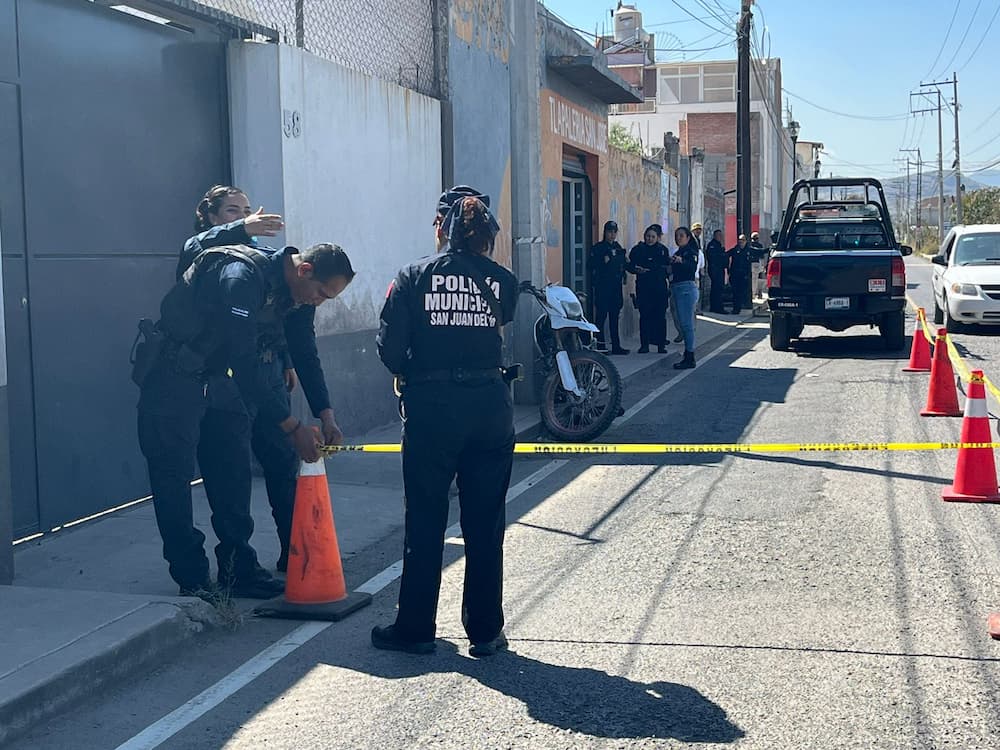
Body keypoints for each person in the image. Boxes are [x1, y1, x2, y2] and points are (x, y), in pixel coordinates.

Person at [137, 241, 354, 600]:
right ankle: (192, 578)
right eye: (322, 294)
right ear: (304, 270)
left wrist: (325, 413)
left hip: (218, 379)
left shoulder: (297, 296)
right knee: (172, 478)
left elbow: (303, 349)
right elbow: (244, 361)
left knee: (232, 473)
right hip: (173, 377)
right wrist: (292, 427)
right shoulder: (242, 277)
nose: (320, 302)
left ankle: (238, 570)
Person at [373, 186, 518, 657]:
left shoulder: (414, 276)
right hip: (490, 407)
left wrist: (414, 369)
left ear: (443, 229)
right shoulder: (503, 281)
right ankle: (485, 631)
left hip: (432, 409)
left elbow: (390, 350)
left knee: (425, 520)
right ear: (488, 238)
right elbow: (504, 319)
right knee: (485, 522)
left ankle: (415, 629)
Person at [180, 186, 319, 572]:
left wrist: (286, 359)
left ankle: (295, 554)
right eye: (231, 212)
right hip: (229, 380)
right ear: (210, 218)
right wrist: (243, 227)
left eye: (245, 210)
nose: (243, 218)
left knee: (282, 462)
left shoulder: (259, 260)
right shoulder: (209, 255)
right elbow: (238, 342)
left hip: (268, 372)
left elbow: (278, 312)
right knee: (234, 470)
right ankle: (238, 562)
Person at [589, 221, 629, 355]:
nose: (612, 235)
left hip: (616, 288)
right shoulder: (598, 248)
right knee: (601, 317)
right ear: (604, 232)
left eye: (614, 232)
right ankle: (600, 346)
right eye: (609, 232)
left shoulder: (618, 248)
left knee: (614, 317)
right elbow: (590, 265)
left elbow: (624, 263)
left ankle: (616, 345)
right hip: (603, 287)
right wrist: (602, 261)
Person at [628, 226, 669, 354]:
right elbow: (629, 265)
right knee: (644, 316)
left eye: (652, 237)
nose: (650, 239)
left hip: (659, 288)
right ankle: (644, 345)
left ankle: (661, 344)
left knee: (660, 317)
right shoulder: (638, 250)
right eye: (648, 236)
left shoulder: (662, 250)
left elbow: (667, 267)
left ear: (657, 238)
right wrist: (636, 269)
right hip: (644, 288)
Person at [670, 226, 700, 370]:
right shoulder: (677, 253)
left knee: (687, 325)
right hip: (676, 288)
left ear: (688, 238)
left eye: (681, 235)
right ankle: (688, 354)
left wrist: (681, 261)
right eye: (676, 236)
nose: (678, 238)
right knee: (682, 323)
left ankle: (690, 356)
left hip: (686, 289)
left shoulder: (691, 252)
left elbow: (691, 267)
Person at [727, 234, 752, 315]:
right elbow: (726, 255)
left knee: (741, 292)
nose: (741, 242)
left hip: (744, 275)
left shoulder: (748, 250)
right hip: (735, 274)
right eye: (740, 240)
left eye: (743, 240)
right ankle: (736, 309)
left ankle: (741, 306)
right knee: (735, 292)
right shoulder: (735, 249)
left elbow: (759, 251)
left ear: (746, 241)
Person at [706, 229, 728, 314]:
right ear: (715, 236)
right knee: (716, 289)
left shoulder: (719, 245)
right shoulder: (712, 245)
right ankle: (717, 307)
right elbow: (713, 258)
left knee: (719, 288)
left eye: (721, 236)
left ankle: (717, 306)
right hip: (715, 269)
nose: (720, 237)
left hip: (720, 269)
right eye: (719, 235)